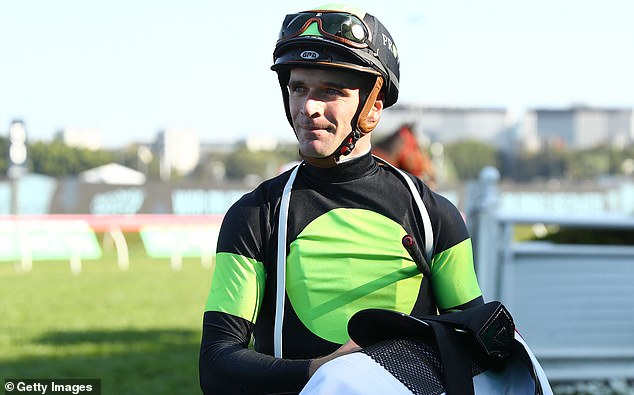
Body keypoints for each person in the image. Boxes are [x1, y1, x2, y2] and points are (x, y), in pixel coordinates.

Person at [199, 4, 483, 394]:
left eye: (331, 91)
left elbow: (477, 352)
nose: (308, 107)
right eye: (298, 88)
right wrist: (327, 372)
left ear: (373, 108)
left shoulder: (434, 215)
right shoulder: (254, 215)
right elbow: (216, 366)